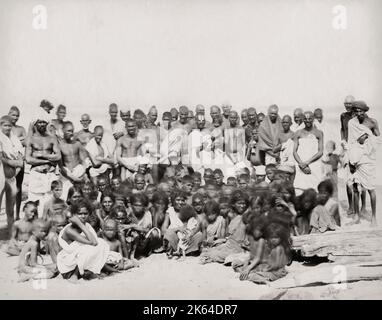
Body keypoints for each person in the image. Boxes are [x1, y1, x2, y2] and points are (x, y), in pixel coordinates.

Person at [57, 199, 110, 282]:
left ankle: (89, 271)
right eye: (80, 214)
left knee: (102, 243)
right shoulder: (69, 230)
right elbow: (93, 243)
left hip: (79, 260)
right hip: (69, 266)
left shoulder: (86, 225)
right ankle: (74, 275)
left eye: (85, 213)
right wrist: (80, 223)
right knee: (86, 248)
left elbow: (95, 242)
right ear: (74, 215)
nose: (83, 216)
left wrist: (81, 224)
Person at [348, 101, 379, 226]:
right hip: (355, 158)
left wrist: (366, 136)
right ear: (354, 112)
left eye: (361, 111)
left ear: (365, 111)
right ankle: (356, 215)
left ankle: (374, 217)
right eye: (356, 111)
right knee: (355, 187)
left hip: (367, 159)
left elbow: (378, 140)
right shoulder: (351, 123)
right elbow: (350, 142)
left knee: (371, 188)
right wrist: (350, 160)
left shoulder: (373, 122)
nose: (359, 113)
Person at [200, 190, 249, 264]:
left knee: (212, 254)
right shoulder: (233, 216)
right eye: (239, 203)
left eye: (244, 204)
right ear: (233, 204)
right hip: (230, 245)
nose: (242, 206)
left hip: (238, 248)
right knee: (208, 251)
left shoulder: (246, 217)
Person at [25, 118, 61, 213]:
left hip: (49, 175)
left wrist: (42, 155)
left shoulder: (52, 138)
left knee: (51, 205)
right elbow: (28, 159)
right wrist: (48, 161)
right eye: (39, 122)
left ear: (47, 123)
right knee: (33, 206)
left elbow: (58, 156)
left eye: (44, 122)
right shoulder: (31, 138)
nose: (42, 124)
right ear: (35, 124)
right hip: (36, 175)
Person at [0, 115, 24, 231]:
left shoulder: (14, 138)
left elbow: (20, 159)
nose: (8, 128)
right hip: (1, 175)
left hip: (11, 177)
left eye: (9, 125)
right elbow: (1, 158)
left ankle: (10, 231)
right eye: (5, 125)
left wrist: (14, 162)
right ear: (0, 125)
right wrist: (12, 162)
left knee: (10, 206)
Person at [293, 111, 324, 193]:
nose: (307, 121)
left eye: (310, 118)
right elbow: (294, 152)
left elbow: (320, 151)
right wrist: (301, 164)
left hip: (314, 164)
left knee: (314, 189)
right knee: (299, 189)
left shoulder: (319, 133)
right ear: (303, 119)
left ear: (313, 119)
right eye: (305, 119)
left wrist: (307, 163)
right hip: (300, 164)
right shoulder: (298, 133)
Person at [58, 121, 87, 199]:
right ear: (63, 130)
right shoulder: (59, 146)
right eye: (68, 131)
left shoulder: (77, 144)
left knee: (81, 198)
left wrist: (81, 174)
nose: (71, 133)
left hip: (79, 174)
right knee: (67, 198)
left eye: (72, 131)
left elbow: (84, 162)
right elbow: (61, 167)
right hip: (67, 177)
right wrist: (73, 178)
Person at [8, 106, 27, 220]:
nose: (15, 117)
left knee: (18, 188)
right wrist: (19, 140)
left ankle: (17, 215)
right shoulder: (4, 127)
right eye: (13, 115)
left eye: (17, 115)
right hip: (7, 161)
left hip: (19, 161)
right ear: (9, 114)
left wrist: (16, 141)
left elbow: (26, 141)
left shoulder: (21, 128)